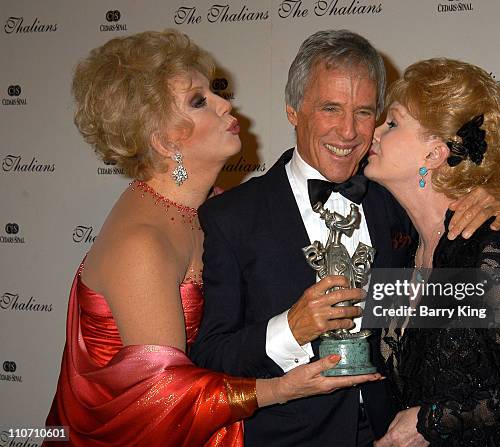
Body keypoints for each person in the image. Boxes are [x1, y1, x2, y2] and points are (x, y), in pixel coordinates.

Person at [191, 30, 500, 447]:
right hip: (289, 436)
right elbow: (210, 356)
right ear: (293, 110)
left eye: (364, 113)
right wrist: (290, 329)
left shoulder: (395, 195)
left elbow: (489, 262)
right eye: (330, 108)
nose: (349, 132)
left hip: (395, 430)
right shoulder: (231, 217)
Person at [44, 29, 383, 447]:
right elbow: (162, 399)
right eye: (199, 101)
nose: (226, 102)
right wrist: (281, 387)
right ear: (167, 139)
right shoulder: (142, 245)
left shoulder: (211, 207)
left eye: (365, 112)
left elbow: (458, 297)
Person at [366, 58, 500, 446]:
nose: (374, 131)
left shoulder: (491, 251)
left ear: (433, 154)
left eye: (392, 123)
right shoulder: (405, 251)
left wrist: (432, 422)